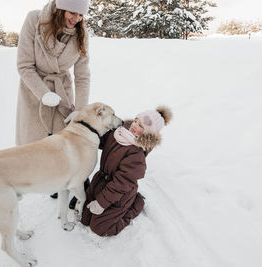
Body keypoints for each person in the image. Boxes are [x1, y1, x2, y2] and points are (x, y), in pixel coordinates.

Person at [80, 106, 172, 236]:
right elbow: (99, 140)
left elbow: (120, 184)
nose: (134, 125)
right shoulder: (119, 133)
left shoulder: (136, 156)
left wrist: (101, 203)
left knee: (99, 228)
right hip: (100, 182)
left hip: (120, 194)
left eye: (141, 126)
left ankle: (135, 204)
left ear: (147, 134)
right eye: (136, 120)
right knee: (84, 218)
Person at [16, 0, 90, 146]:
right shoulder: (34, 21)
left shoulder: (81, 34)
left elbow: (83, 76)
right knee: (32, 148)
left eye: (81, 14)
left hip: (62, 93)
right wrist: (44, 94)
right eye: (72, 13)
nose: (77, 19)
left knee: (61, 147)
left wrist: (80, 111)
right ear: (60, 9)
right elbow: (25, 66)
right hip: (35, 91)